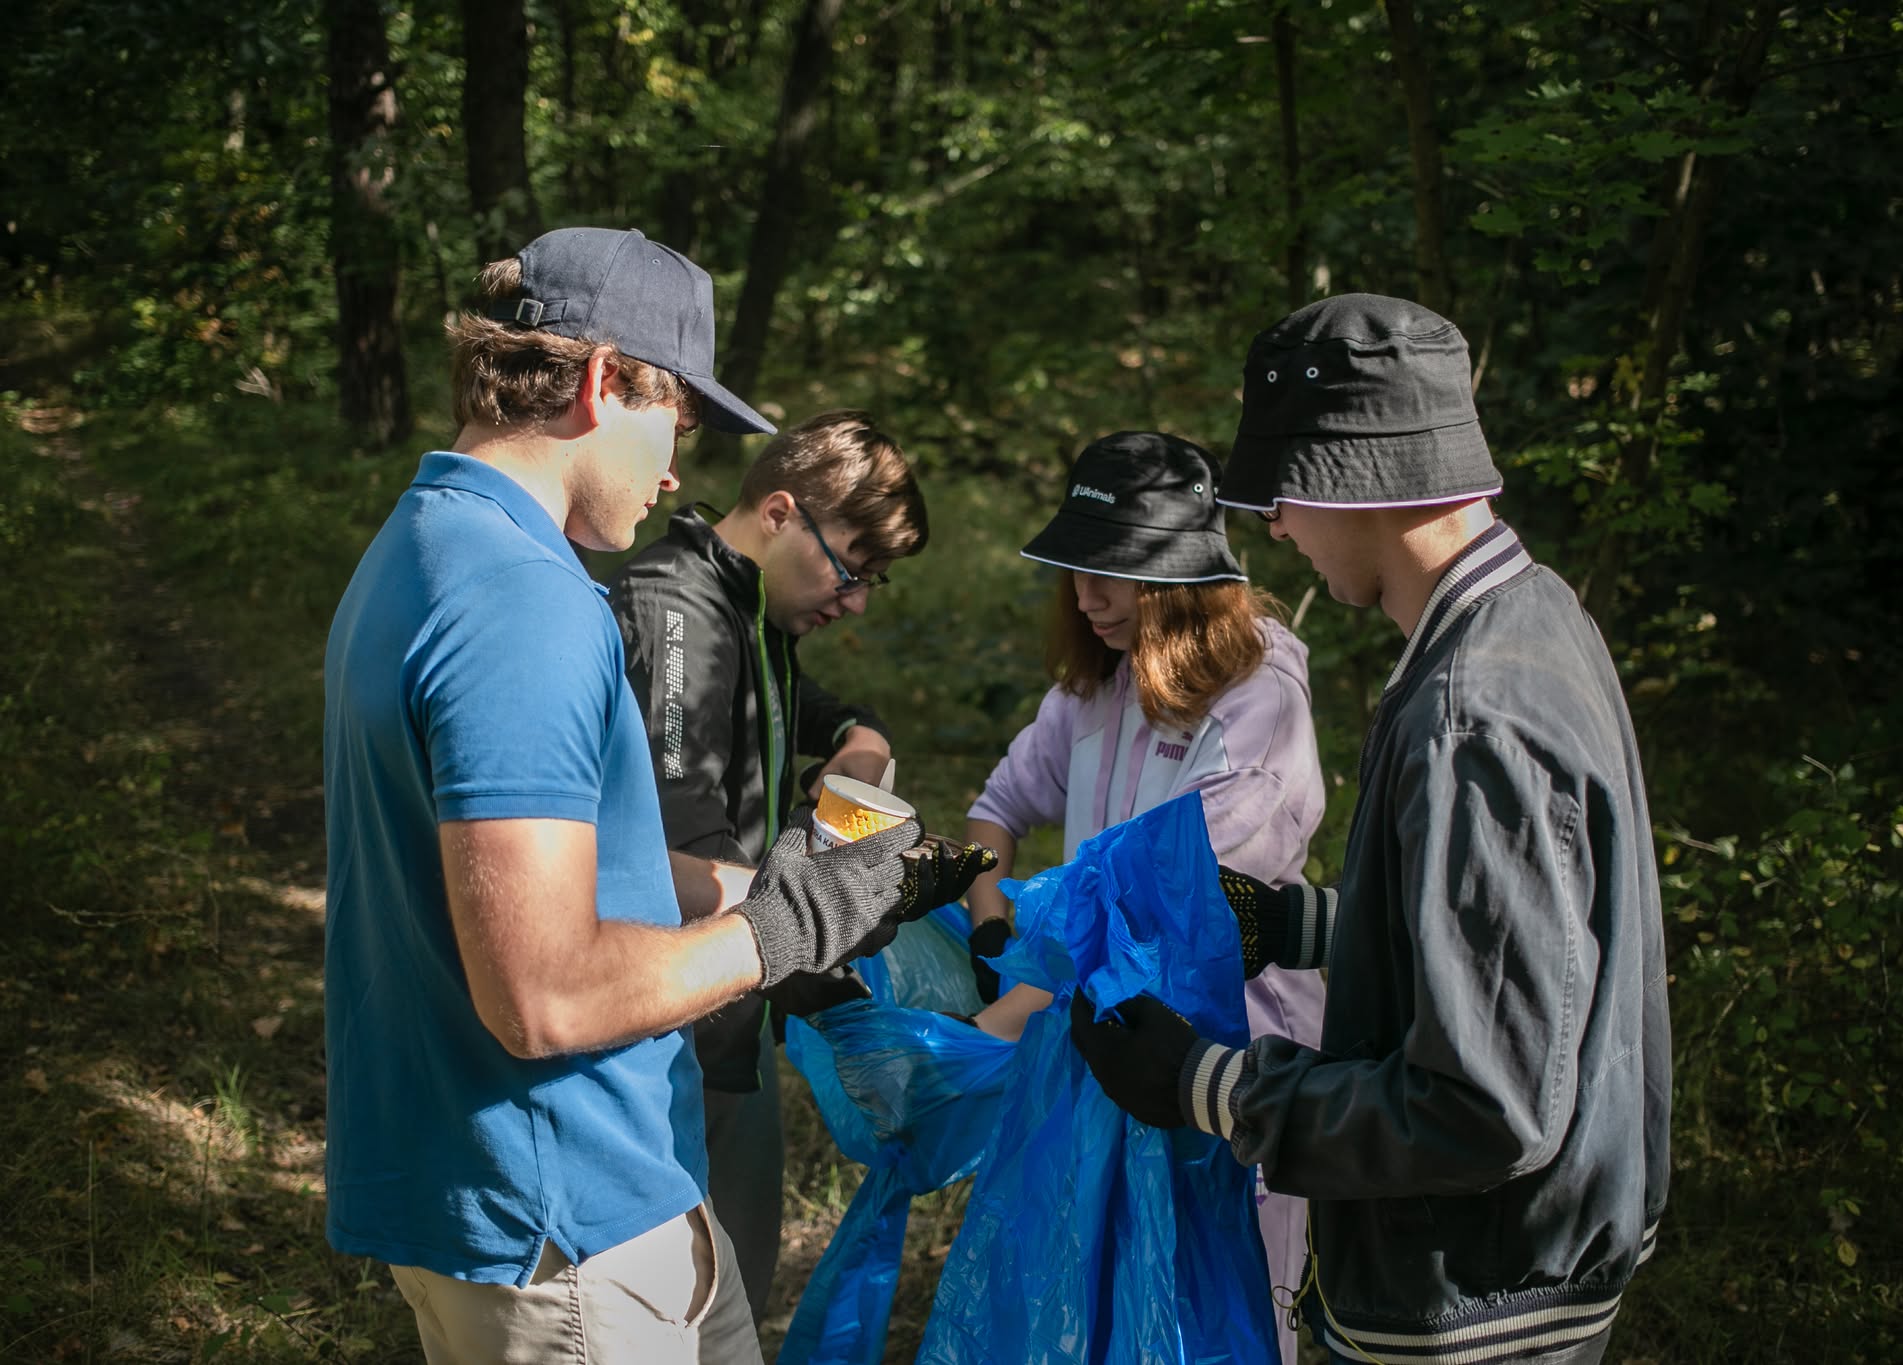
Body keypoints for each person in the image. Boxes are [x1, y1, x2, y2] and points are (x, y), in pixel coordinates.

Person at [321, 226, 986, 1363]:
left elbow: (555, 874)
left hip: (571, 1185)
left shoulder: (421, 545)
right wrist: (798, 918)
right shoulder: (526, 602)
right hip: (562, 1216)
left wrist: (771, 883)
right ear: (597, 381)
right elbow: (545, 995)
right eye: (674, 424)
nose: (677, 471)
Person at [1066, 295, 1671, 1365]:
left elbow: (1481, 1106)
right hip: (1514, 1263)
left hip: (1465, 1298)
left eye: (1285, 496)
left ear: (1361, 480)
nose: (1275, 528)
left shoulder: (1468, 712)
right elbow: (1516, 958)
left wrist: (1207, 1084)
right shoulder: (1532, 619)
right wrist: (1298, 924)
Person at [959, 430, 1327, 1363]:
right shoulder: (1093, 689)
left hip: (1226, 1062)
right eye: (1076, 570)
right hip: (1105, 1045)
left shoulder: (1260, 700)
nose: (1089, 597)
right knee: (1106, 1293)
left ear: (1187, 576)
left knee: (1222, 1312)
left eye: (1115, 572)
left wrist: (1010, 1009)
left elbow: (1169, 900)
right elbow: (997, 811)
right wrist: (991, 923)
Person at [606, 408, 931, 1327]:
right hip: (671, 1026)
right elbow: (684, 844)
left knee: (733, 1288)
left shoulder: (750, 607)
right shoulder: (675, 613)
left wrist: (856, 734)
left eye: (875, 580)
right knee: (687, 1304)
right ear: (783, 510)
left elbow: (802, 703)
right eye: (853, 566)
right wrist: (831, 918)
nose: (857, 598)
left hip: (732, 1006)